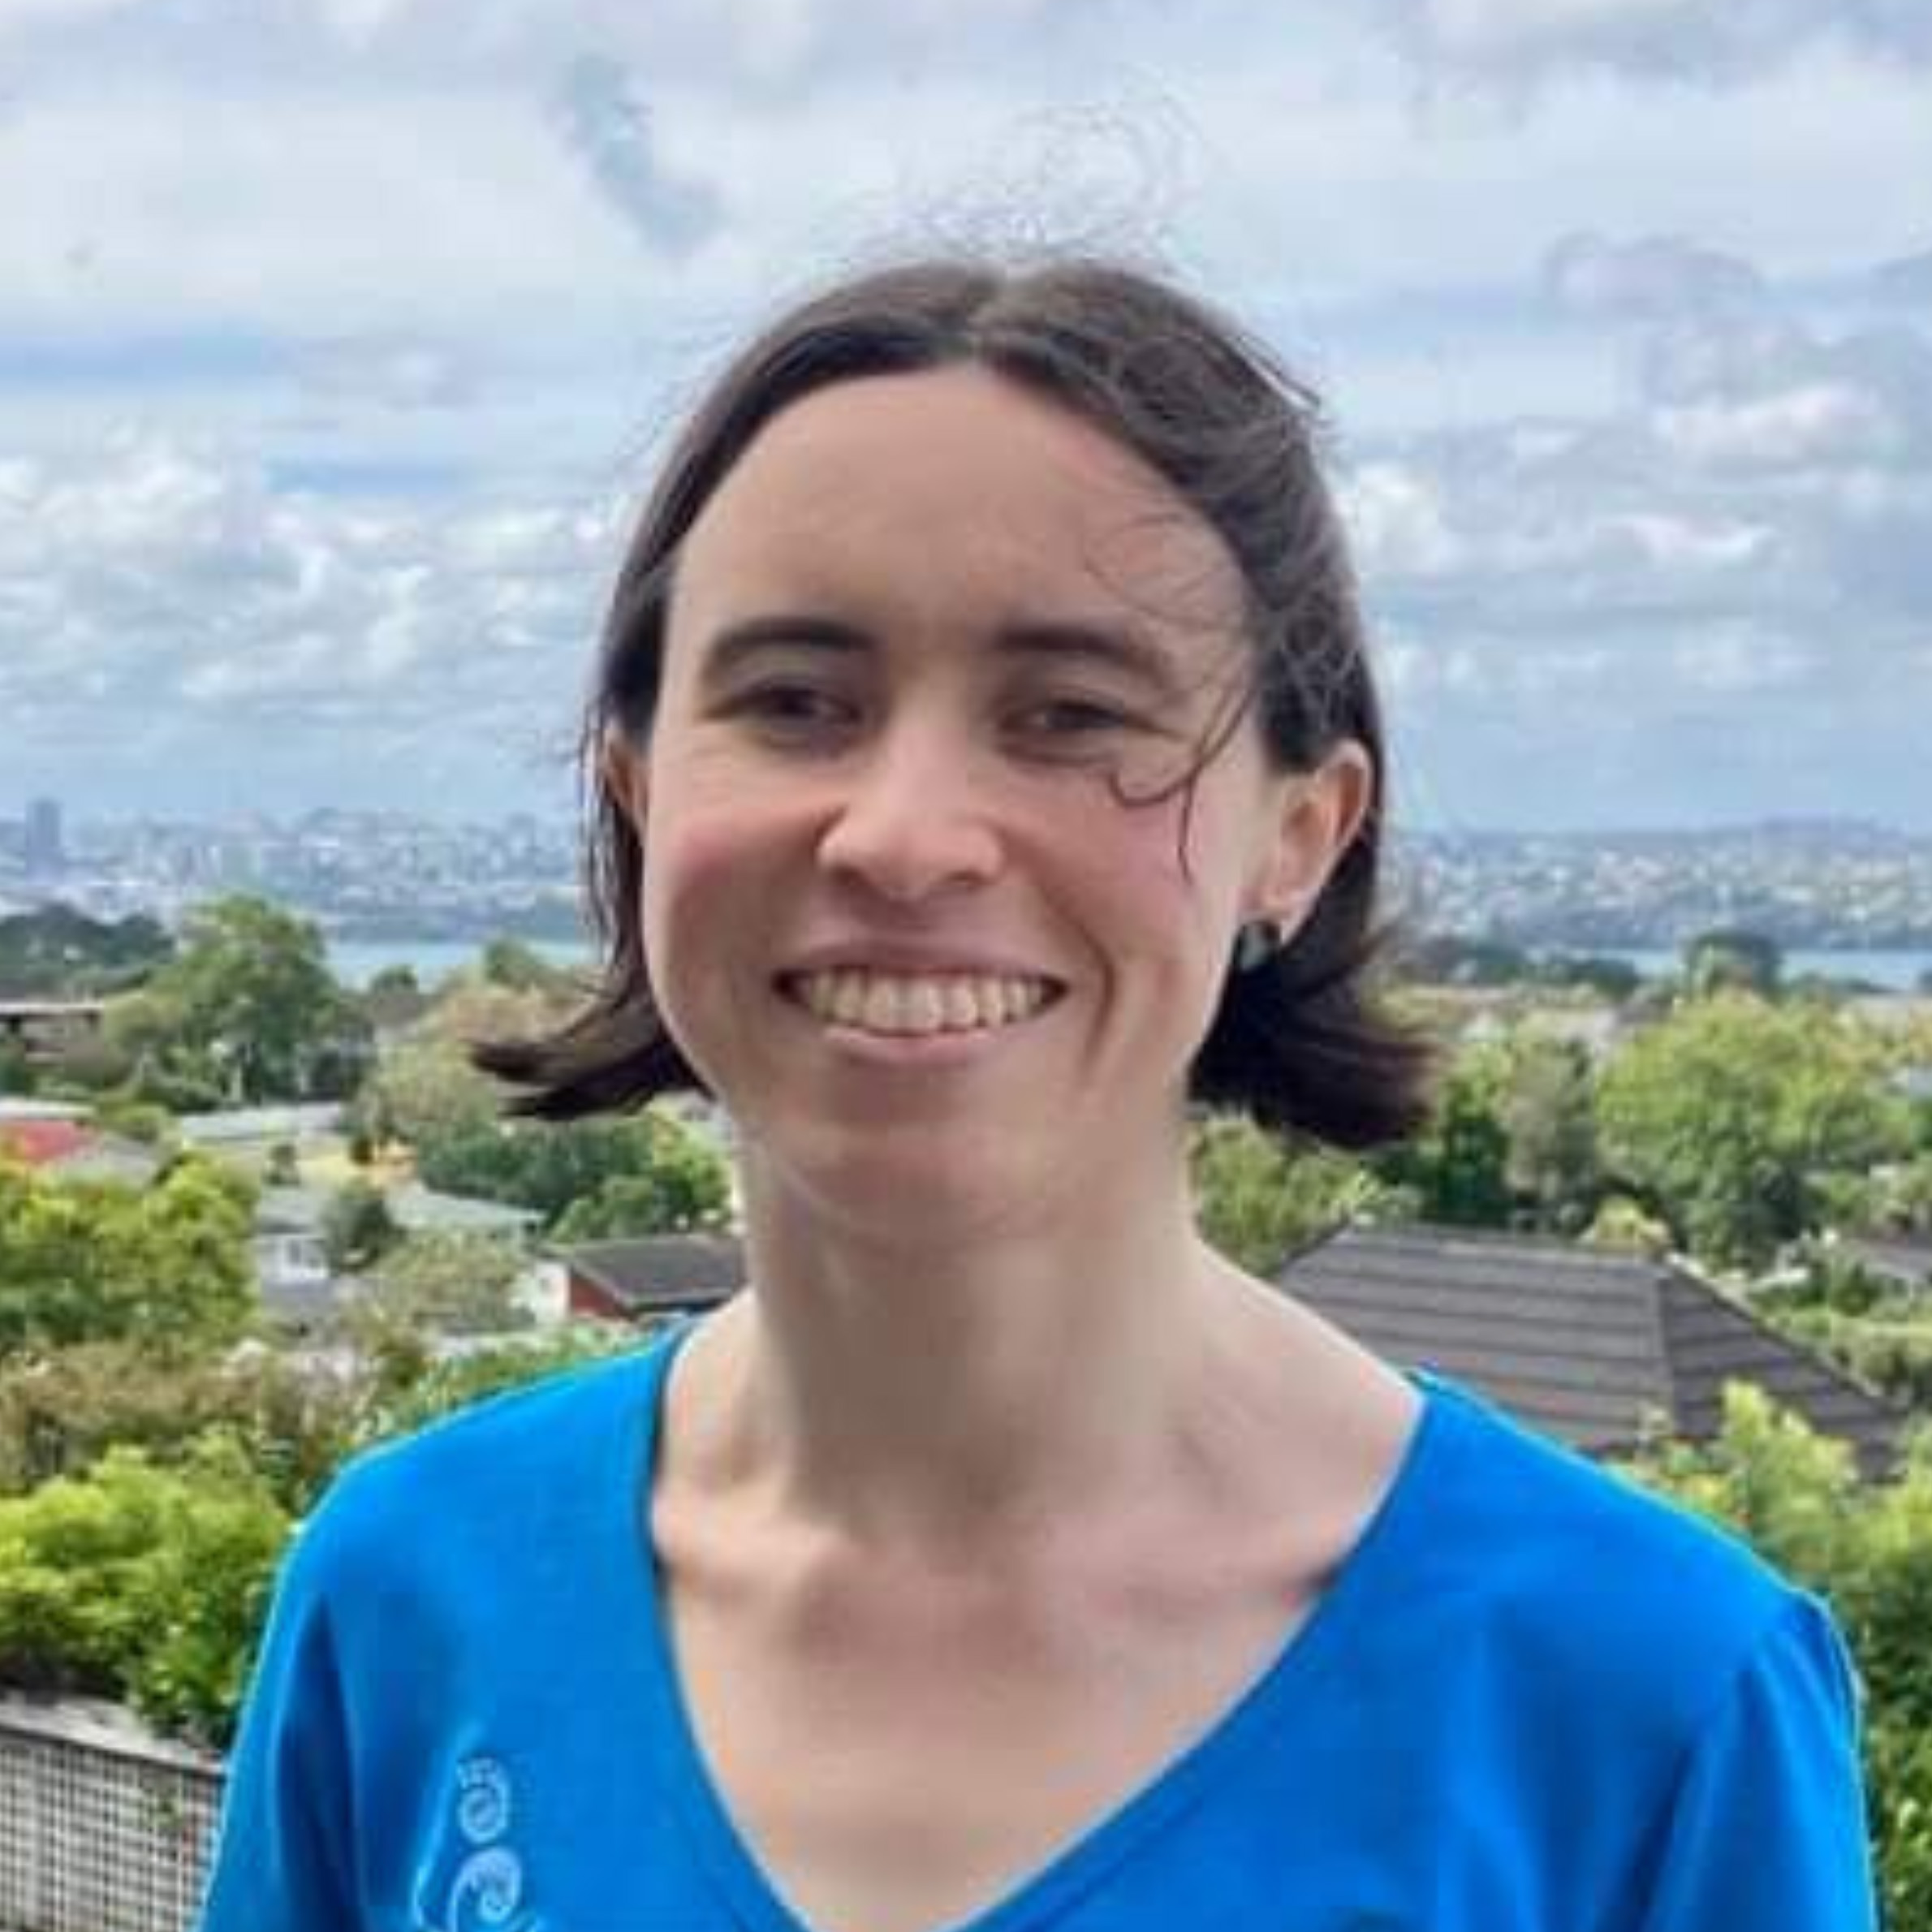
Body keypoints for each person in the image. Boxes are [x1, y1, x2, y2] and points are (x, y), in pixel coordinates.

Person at [196, 257, 1878, 1932]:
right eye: (793, 702)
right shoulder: (416, 1595)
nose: (904, 832)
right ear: (637, 790)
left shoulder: (1640, 1704)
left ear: (1299, 830)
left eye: (1070, 713)